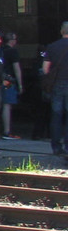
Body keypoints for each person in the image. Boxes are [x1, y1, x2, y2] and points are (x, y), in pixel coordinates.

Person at [42, 21, 68, 157]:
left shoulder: (52, 47)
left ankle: (56, 147)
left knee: (56, 116)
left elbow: (45, 69)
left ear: (61, 32)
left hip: (57, 85)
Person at [0, 32, 23, 139]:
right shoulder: (13, 52)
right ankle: (6, 131)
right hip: (9, 81)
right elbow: (16, 69)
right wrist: (20, 84)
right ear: (12, 41)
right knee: (7, 105)